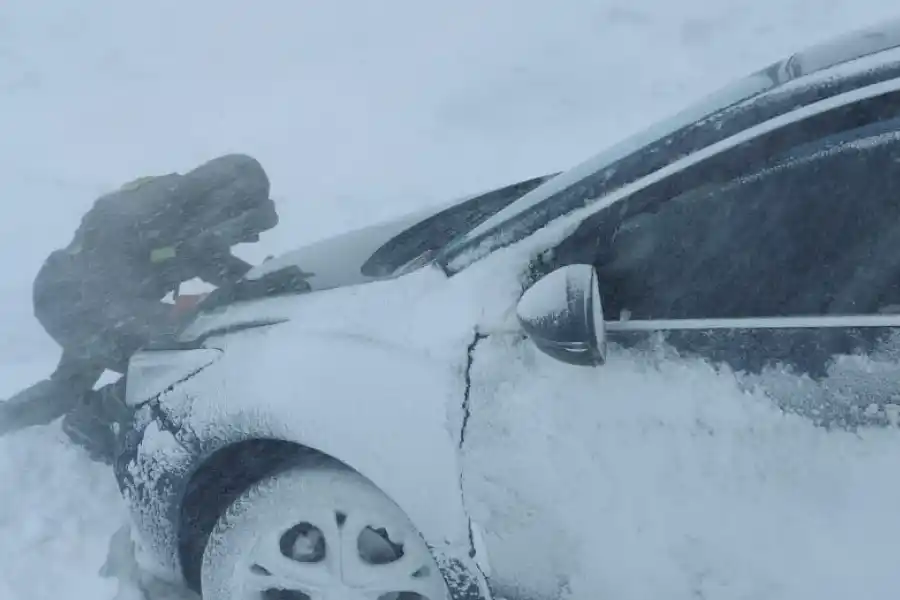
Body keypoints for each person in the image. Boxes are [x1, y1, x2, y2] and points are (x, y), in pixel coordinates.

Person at [14, 153, 280, 463]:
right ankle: (90, 418)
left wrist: (256, 281)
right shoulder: (152, 209)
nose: (227, 227)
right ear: (223, 194)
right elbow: (109, 284)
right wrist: (175, 314)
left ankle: (13, 420)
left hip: (77, 301)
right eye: (233, 213)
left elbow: (205, 258)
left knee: (64, 391)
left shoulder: (181, 210)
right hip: (75, 302)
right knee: (177, 355)